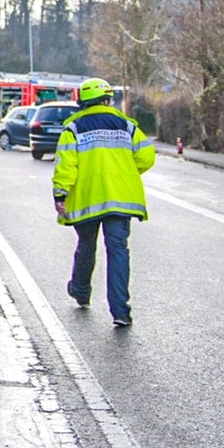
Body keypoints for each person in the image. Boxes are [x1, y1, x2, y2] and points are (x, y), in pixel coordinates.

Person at [51, 77, 155, 327]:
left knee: (86, 245)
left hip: (87, 198)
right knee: (118, 251)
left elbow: (67, 164)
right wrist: (125, 173)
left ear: (83, 103)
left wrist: (60, 193)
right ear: (108, 100)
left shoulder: (73, 128)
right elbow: (147, 156)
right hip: (120, 200)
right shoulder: (126, 125)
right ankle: (120, 311)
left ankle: (80, 291)